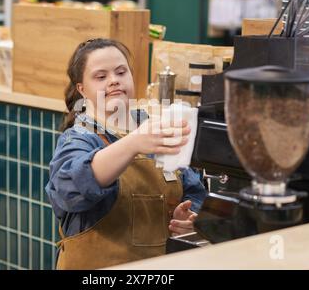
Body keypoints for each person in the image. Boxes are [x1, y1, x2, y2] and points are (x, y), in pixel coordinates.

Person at [45, 38, 206, 270]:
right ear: (82, 89)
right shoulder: (79, 138)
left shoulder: (155, 130)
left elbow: (194, 190)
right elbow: (71, 190)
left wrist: (190, 219)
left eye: (121, 72)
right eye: (101, 77)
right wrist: (133, 144)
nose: (114, 81)